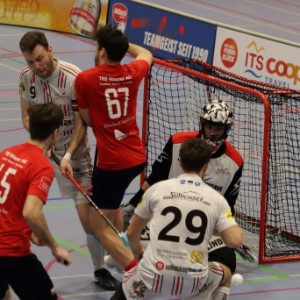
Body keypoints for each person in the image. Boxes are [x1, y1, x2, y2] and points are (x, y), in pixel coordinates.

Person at [18, 30, 119, 290]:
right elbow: (26, 116)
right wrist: (42, 142)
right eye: (30, 62)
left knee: (88, 223)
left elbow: (83, 122)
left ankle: (101, 268)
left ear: (50, 50)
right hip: (43, 153)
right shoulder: (25, 79)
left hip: (74, 158)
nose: (36, 66)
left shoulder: (74, 78)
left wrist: (68, 154)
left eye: (40, 59)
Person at [120, 99, 246, 299]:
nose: (212, 132)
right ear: (204, 168)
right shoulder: (178, 143)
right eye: (209, 126)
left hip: (205, 226)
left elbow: (229, 206)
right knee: (224, 272)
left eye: (218, 128)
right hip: (168, 222)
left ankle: (134, 265)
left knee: (228, 259)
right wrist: (133, 204)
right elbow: (154, 177)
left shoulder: (234, 162)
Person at [75, 24, 153, 270]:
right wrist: (122, 44)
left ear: (102, 51)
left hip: (112, 164)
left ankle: (136, 274)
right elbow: (146, 54)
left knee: (97, 227)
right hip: (136, 157)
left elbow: (86, 119)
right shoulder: (132, 71)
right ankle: (131, 253)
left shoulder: (86, 79)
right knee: (113, 210)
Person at [0, 103, 72, 299]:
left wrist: (30, 232)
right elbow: (31, 212)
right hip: (11, 251)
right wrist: (54, 247)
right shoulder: (41, 167)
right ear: (55, 133)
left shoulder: (6, 153)